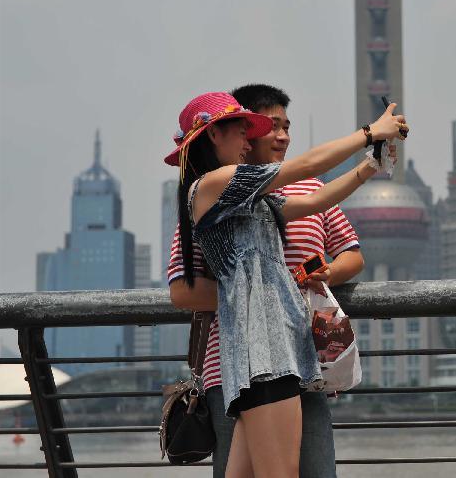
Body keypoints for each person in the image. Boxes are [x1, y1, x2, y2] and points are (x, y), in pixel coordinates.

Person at [163, 91, 406, 478]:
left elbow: (316, 200)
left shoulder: (247, 198)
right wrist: (368, 132)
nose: (249, 141)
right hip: (267, 354)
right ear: (213, 136)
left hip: (265, 351)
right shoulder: (215, 183)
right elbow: (307, 165)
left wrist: (369, 165)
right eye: (243, 133)